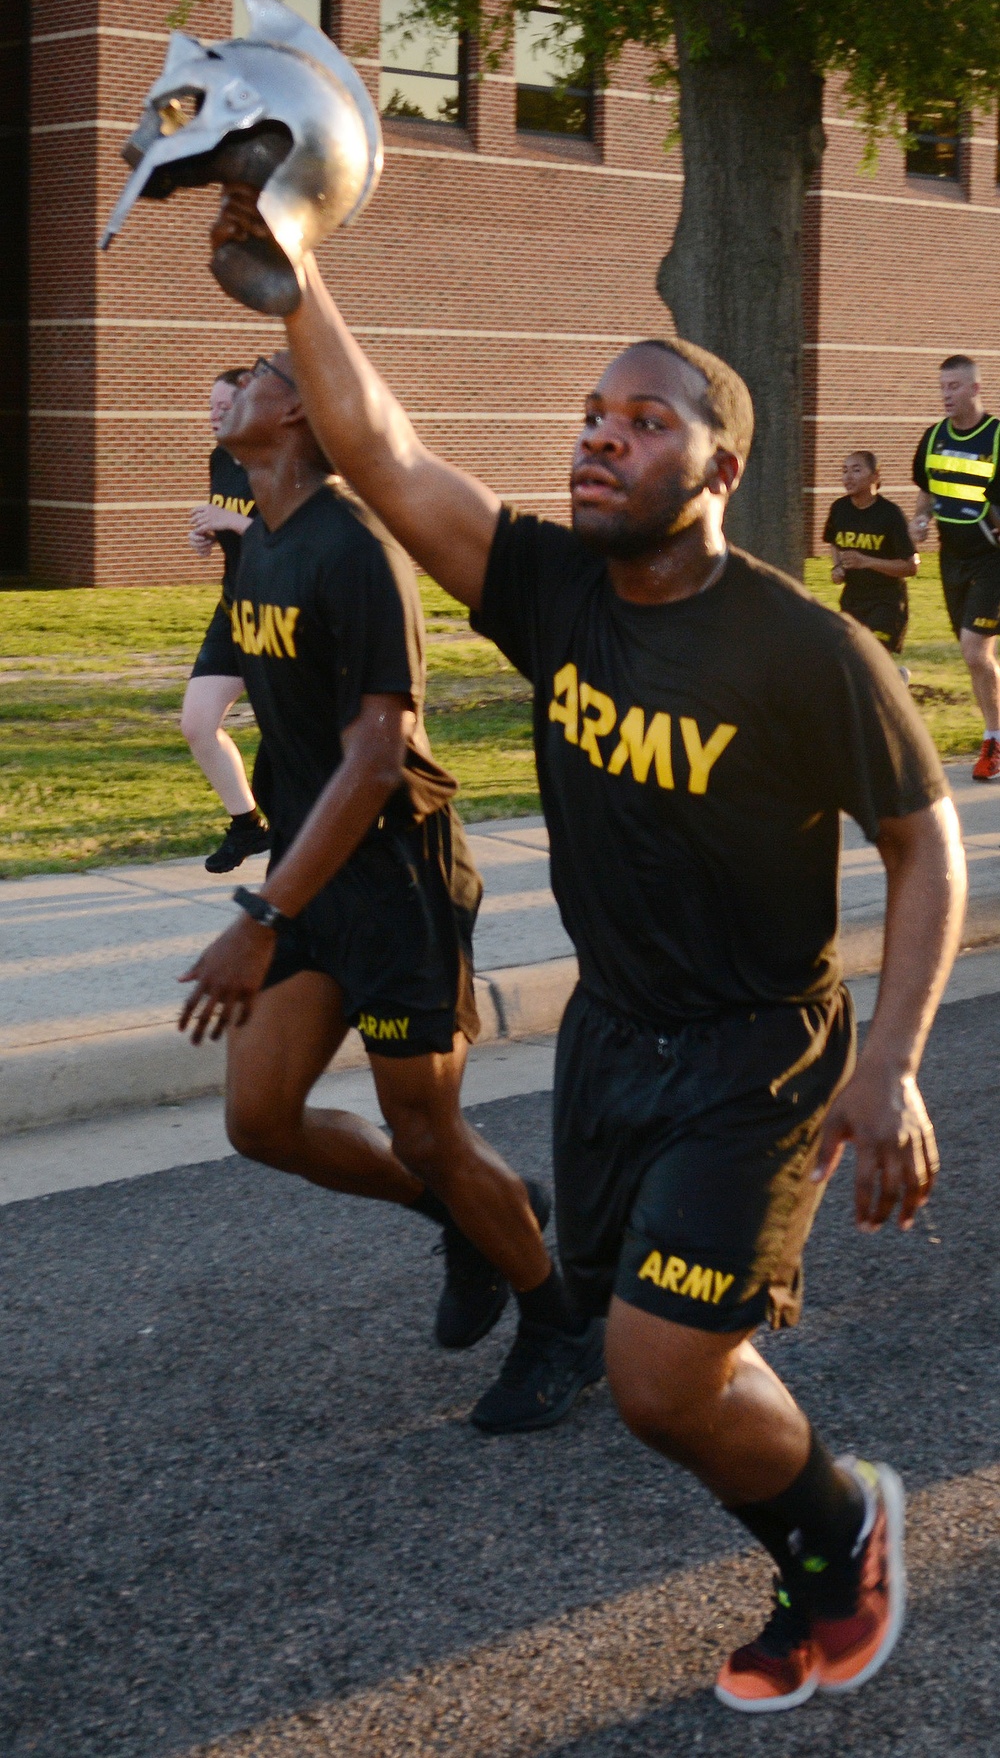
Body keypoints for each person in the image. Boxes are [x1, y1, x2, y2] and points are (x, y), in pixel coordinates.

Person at [209, 191, 968, 1711]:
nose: (601, 436)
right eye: (589, 415)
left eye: (645, 418)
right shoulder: (554, 594)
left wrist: (889, 1068)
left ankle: (838, 1535)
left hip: (757, 1051)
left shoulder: (806, 647)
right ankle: (823, 1518)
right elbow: (390, 456)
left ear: (723, 467)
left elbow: (923, 841)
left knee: (654, 1371)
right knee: (663, 1381)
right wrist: (296, 278)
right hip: (611, 1039)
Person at [177, 351, 604, 1428]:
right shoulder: (261, 543)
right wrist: (280, 891)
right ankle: (465, 1219)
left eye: (262, 377)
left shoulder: (354, 548)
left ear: (300, 417)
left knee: (427, 1128)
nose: (234, 388)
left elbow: (377, 757)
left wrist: (263, 914)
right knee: (260, 1119)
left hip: (398, 878)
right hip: (310, 875)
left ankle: (556, 1319)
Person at [181, 368, 271, 872]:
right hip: (234, 608)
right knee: (197, 724)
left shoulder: (283, 462)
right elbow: (236, 527)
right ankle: (248, 824)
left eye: (224, 406)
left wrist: (234, 522)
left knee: (293, 733)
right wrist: (209, 536)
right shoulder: (222, 458)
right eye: (210, 407)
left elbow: (302, 540)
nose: (214, 416)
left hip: (284, 615)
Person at [911, 355, 1000, 780]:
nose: (946, 394)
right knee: (977, 659)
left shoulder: (996, 437)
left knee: (974, 650)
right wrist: (921, 520)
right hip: (951, 559)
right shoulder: (933, 437)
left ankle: (993, 743)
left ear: (975, 389)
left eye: (955, 386)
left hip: (991, 560)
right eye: (943, 386)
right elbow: (927, 491)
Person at [823, 451, 918, 683]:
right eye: (844, 471)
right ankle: (895, 680)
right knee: (851, 661)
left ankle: (889, 691)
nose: (848, 477)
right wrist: (838, 567)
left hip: (886, 602)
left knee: (872, 656)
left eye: (856, 470)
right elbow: (834, 542)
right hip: (853, 600)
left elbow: (910, 566)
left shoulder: (890, 514)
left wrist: (867, 562)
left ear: (875, 476)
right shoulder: (839, 509)